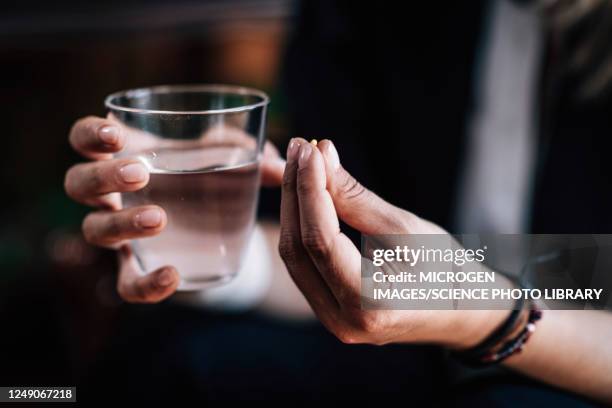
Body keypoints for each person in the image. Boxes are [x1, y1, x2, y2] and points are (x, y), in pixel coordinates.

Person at [64, 0, 612, 404]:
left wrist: (483, 309)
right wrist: (208, 241)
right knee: (179, 361)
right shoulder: (369, 16)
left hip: (580, 359)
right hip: (413, 349)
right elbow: (374, 264)